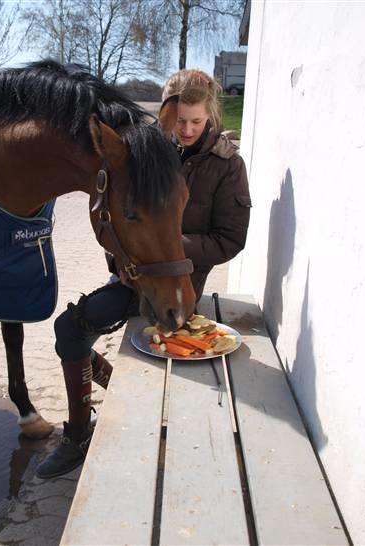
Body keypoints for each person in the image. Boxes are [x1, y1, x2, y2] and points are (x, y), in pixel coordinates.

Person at [35, 69, 252, 479]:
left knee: (158, 355)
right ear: (167, 113)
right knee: (69, 329)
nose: (186, 131)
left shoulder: (227, 166)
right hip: (135, 274)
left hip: (181, 280)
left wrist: (166, 249)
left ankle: (159, 432)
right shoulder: (140, 151)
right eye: (181, 121)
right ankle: (80, 433)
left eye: (197, 122)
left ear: (211, 117)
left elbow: (230, 238)